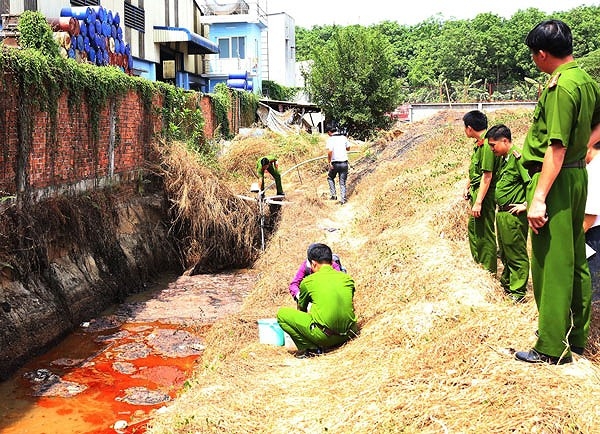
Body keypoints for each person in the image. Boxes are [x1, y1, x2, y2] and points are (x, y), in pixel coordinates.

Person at [514, 19, 600, 365]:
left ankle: (551, 346)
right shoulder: (586, 81)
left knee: (552, 263)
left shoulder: (561, 87)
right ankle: (575, 337)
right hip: (576, 176)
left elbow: (556, 148)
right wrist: (589, 146)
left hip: (558, 179)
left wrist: (538, 198)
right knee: (576, 258)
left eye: (534, 55)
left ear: (542, 54)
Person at [277, 243, 357, 358]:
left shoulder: (308, 281)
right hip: (349, 333)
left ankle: (310, 348)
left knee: (282, 314)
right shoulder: (347, 278)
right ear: (331, 261)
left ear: (313, 264)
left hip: (325, 338)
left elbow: (301, 309)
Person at [485, 125, 531, 302]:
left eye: (493, 145)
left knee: (516, 253)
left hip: (513, 215)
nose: (491, 149)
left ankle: (518, 292)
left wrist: (526, 205)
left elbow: (531, 183)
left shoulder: (518, 158)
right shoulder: (504, 159)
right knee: (504, 252)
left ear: (505, 140)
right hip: (502, 213)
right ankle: (507, 284)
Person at [463, 110, 502, 275]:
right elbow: (477, 171)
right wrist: (468, 185)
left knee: (485, 231)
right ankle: (479, 263)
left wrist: (478, 202)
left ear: (470, 128)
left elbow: (487, 176)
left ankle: (488, 269)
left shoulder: (487, 145)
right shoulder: (480, 144)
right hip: (478, 191)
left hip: (484, 194)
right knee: (475, 228)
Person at [585, 141, 600, 301]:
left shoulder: (594, 168)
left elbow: (590, 215)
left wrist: (572, 240)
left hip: (594, 235)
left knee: (594, 290)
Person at [326, 126, 351, 205]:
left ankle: (333, 195)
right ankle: (343, 200)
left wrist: (329, 162)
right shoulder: (343, 138)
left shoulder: (330, 139)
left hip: (335, 163)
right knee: (342, 182)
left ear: (330, 132)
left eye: (328, 133)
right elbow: (348, 148)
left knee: (330, 178)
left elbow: (329, 151)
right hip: (344, 163)